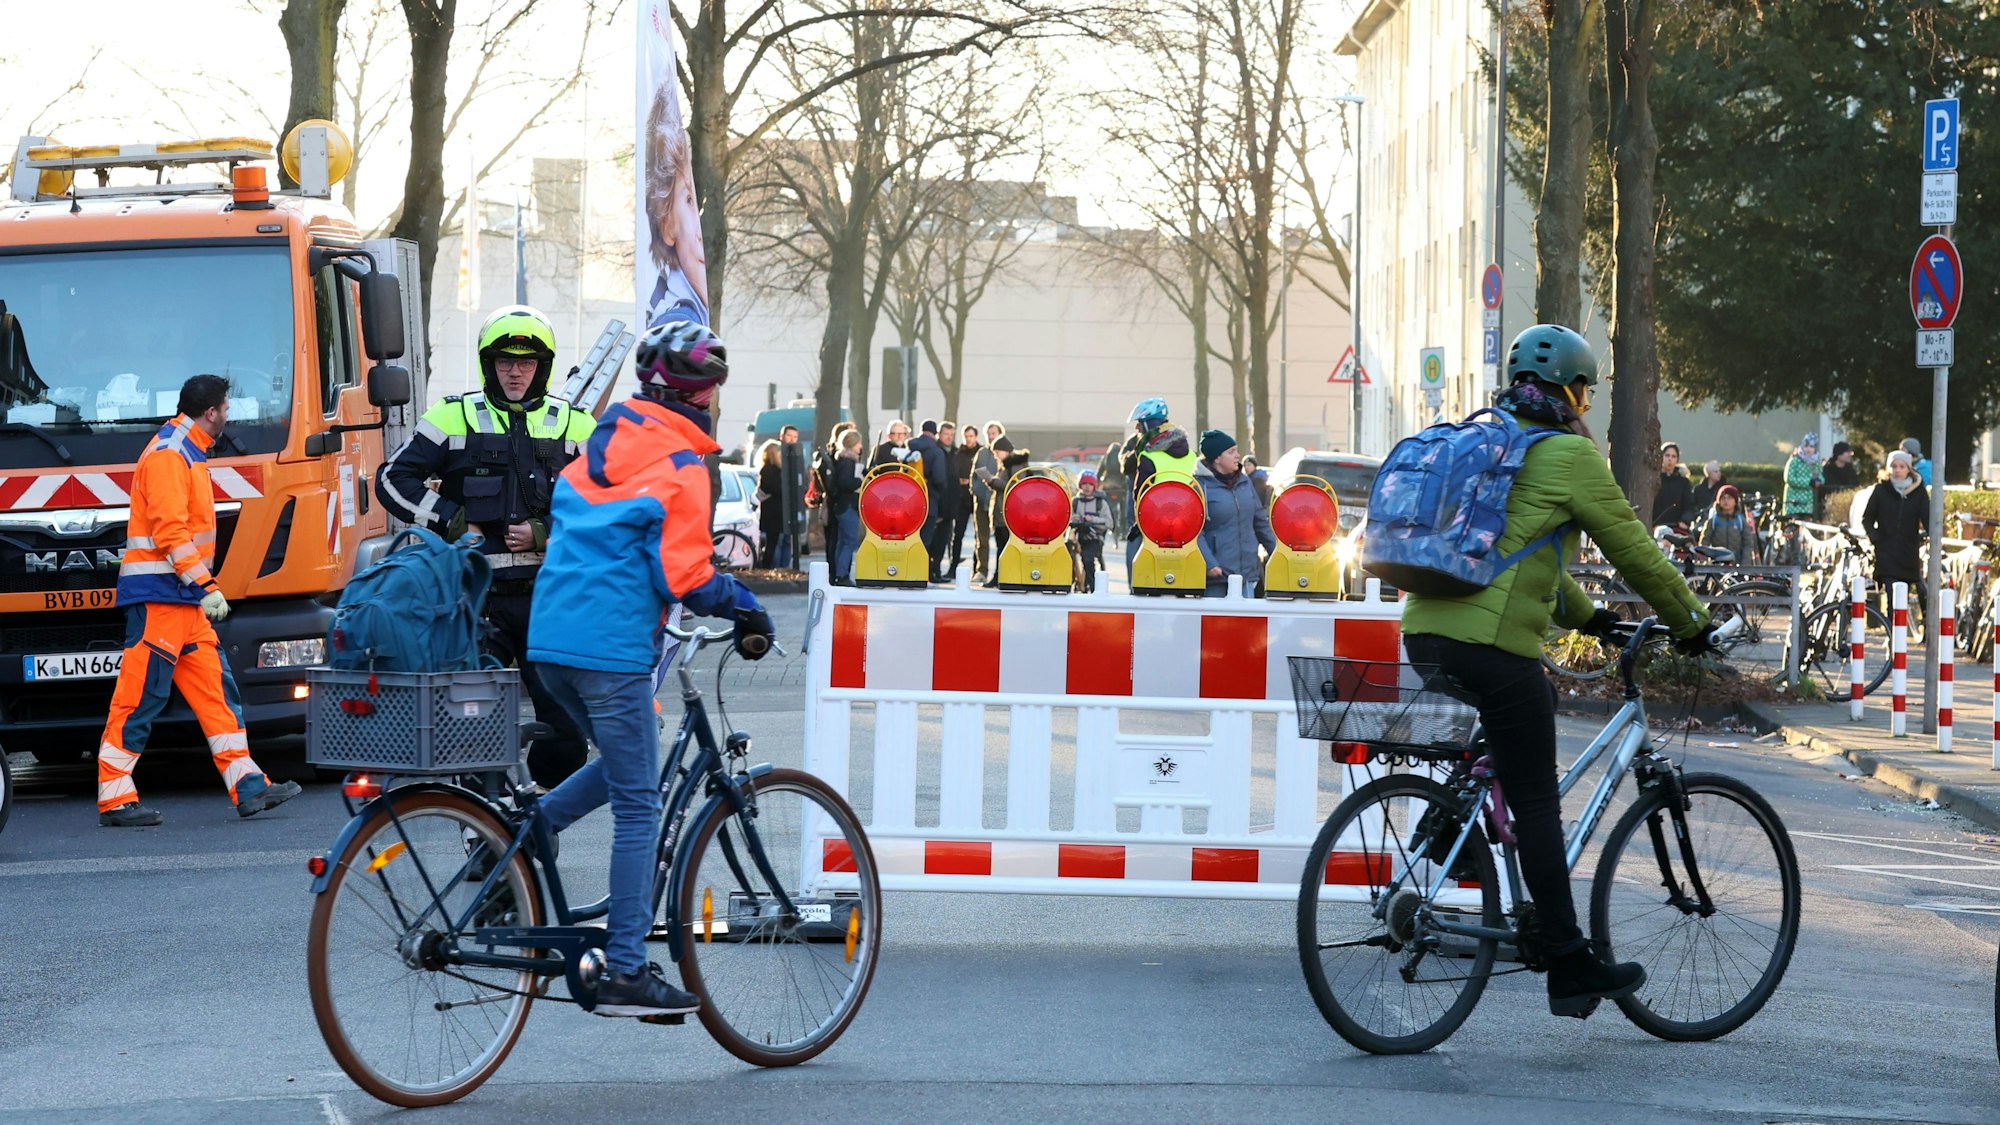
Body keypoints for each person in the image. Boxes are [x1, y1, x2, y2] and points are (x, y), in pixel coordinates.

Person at [1401, 323, 1715, 1018]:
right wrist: (1692, 621)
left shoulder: (1490, 440)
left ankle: (1455, 826)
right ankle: (1569, 960)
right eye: (1586, 392)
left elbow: (1519, 557)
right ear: (1571, 390)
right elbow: (1634, 550)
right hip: (1488, 645)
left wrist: (1590, 618)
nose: (1585, 404)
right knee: (1539, 799)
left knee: (1529, 702)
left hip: (1425, 633)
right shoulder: (1568, 454)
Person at [529, 320, 776, 1018]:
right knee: (640, 803)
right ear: (704, 396)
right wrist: (746, 606)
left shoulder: (599, 449)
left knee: (624, 763)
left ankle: (529, 833)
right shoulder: (682, 465)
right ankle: (628, 970)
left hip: (550, 643)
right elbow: (686, 576)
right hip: (609, 651)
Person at [376, 304, 595, 788]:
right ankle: (485, 822)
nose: (515, 372)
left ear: (543, 367)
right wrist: (451, 520)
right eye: (505, 361)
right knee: (473, 732)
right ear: (487, 363)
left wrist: (546, 531)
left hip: (548, 602)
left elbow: (609, 502)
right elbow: (392, 478)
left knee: (567, 736)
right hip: (475, 603)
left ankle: (538, 808)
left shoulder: (575, 425)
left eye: (526, 362)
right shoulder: (453, 416)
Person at [96, 374, 302, 826]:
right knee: (139, 698)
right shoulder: (170, 455)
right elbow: (171, 533)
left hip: (180, 601)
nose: (229, 414)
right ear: (211, 412)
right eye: (226, 408)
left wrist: (198, 590)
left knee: (217, 695)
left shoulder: (187, 452)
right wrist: (206, 587)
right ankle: (115, 797)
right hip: (160, 601)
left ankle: (248, 784)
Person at [642, 84, 709, 328]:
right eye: (689, 200)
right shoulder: (677, 328)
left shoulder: (682, 313)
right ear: (667, 224)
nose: (700, 233)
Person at [1193, 429, 1275, 597]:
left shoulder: (1245, 482)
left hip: (1247, 575)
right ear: (1217, 458)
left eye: (1237, 450)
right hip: (1216, 578)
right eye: (1231, 452)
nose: (1238, 456)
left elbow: (1260, 522)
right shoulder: (1199, 487)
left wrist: (1277, 553)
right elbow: (1194, 531)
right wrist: (1209, 564)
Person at [1119, 397, 1194, 570]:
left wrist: (1137, 524)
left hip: (1154, 521)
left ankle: (1135, 582)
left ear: (1149, 424)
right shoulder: (1192, 455)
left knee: (1136, 554)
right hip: (1187, 522)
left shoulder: (1148, 454)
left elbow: (1139, 493)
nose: (1137, 427)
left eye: (1140, 423)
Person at [1863, 450, 1929, 613]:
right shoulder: (1881, 490)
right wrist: (1875, 537)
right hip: (1886, 552)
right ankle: (1890, 626)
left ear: (1909, 469)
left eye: (1901, 466)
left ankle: (1897, 627)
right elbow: (1867, 518)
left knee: (1902, 600)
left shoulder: (1918, 492)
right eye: (1894, 466)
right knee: (1892, 596)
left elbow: (1927, 518)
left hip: (1908, 554)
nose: (1897, 470)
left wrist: (1931, 535)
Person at [981, 421, 1031, 587]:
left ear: (1006, 451)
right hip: (1002, 514)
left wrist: (993, 481)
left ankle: (1004, 578)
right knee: (1002, 547)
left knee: (1005, 548)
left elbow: (1015, 487)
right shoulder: (1006, 465)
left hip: (1009, 515)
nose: (995, 456)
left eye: (997, 452)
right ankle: (1001, 577)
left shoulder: (1015, 465)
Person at [908, 420, 953, 581]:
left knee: (911, 538)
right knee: (925, 540)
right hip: (929, 501)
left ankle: (908, 572)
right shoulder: (936, 451)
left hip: (909, 501)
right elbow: (940, 478)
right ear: (935, 433)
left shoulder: (909, 446)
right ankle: (920, 575)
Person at [826, 428, 866, 584]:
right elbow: (846, 483)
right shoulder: (848, 462)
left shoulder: (843, 460)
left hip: (842, 506)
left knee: (842, 542)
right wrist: (860, 480)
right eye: (859, 443)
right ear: (853, 443)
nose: (860, 446)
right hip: (848, 505)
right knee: (849, 541)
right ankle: (842, 574)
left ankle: (838, 573)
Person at [1070, 469, 1112, 592]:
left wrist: (1092, 519)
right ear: (1080, 485)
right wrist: (1076, 518)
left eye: (1090, 484)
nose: (1087, 487)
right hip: (1077, 538)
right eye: (1084, 484)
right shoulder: (1075, 502)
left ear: (1095, 486)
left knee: (1087, 558)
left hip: (1094, 538)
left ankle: (1093, 589)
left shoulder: (1101, 503)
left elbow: (1109, 523)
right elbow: (1067, 518)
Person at [945, 421, 977, 582]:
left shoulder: (981, 452)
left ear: (976, 437)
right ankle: (953, 567)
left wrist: (970, 482)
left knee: (979, 537)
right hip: (961, 498)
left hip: (976, 498)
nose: (968, 439)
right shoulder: (958, 453)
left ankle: (978, 569)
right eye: (966, 436)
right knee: (957, 535)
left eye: (971, 436)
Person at [965, 424, 998, 579]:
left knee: (1001, 540)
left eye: (994, 433)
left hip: (998, 503)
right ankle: (982, 571)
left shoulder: (1004, 453)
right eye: (989, 434)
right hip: (980, 502)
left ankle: (1000, 573)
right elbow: (973, 476)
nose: (991, 436)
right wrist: (976, 492)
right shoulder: (982, 453)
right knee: (981, 539)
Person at [1698, 484, 1756, 562]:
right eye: (1723, 498)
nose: (1726, 501)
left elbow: (1748, 544)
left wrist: (1745, 564)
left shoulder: (1741, 521)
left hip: (1736, 563)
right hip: (1716, 563)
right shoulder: (1713, 521)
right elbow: (1704, 543)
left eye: (1729, 498)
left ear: (1735, 501)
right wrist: (1704, 562)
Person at [754, 440, 787, 568]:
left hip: (773, 512)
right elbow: (776, 488)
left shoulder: (769, 470)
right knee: (773, 543)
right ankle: (770, 567)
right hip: (774, 513)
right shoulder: (770, 470)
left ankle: (771, 566)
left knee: (773, 542)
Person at [1650, 442, 1694, 530]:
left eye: (1674, 456)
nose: (1670, 459)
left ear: (1677, 460)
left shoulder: (1683, 482)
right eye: (1667, 455)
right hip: (1654, 527)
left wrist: (1685, 521)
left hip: (1677, 528)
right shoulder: (1652, 479)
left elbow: (1689, 506)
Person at [1780, 432, 1822, 520]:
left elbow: (1821, 476)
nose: (1808, 449)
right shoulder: (1794, 461)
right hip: (1793, 503)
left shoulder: (1816, 463)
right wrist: (1808, 482)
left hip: (1808, 504)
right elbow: (1789, 478)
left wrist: (1819, 481)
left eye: (1811, 446)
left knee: (1806, 524)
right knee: (1793, 523)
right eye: (1806, 446)